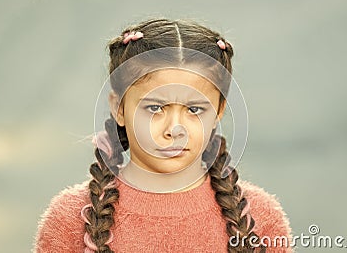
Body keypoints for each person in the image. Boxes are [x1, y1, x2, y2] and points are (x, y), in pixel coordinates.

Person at [33, 17, 293, 253]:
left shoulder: (259, 216)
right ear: (119, 107)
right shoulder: (69, 219)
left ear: (219, 111)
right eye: (155, 108)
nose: (174, 130)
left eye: (194, 109)